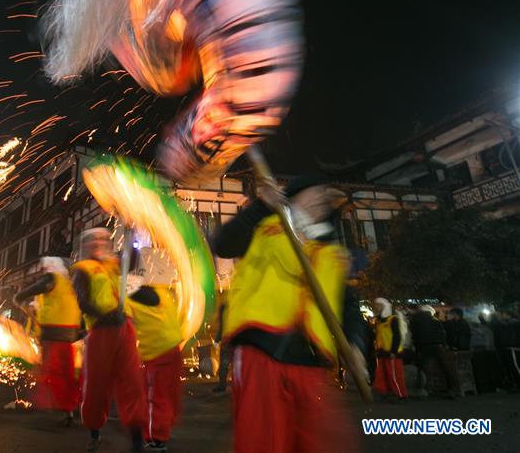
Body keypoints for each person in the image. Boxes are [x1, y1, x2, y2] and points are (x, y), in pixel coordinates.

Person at [213, 176, 365, 453]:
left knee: (322, 442)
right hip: (261, 349)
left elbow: (348, 305)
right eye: (313, 191)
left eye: (325, 196)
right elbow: (222, 244)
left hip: (311, 360)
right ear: (292, 197)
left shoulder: (332, 253)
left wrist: (355, 344)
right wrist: (261, 206)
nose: (321, 198)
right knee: (263, 441)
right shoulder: (264, 227)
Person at [70, 227, 147, 451]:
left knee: (133, 382)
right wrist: (105, 316)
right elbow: (83, 302)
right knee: (97, 385)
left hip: (124, 329)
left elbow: (132, 262)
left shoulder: (115, 264)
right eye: (93, 239)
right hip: (100, 333)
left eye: (103, 239)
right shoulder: (82, 269)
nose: (99, 242)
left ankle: (137, 436)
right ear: (85, 245)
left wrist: (132, 238)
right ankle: (94, 432)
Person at [14, 256, 82, 426]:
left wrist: (19, 296)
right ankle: (69, 408)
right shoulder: (69, 284)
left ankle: (50, 403)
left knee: (52, 372)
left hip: (54, 333)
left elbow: (42, 285)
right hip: (69, 334)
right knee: (66, 374)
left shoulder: (53, 278)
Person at [127, 253, 184, 452]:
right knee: (168, 395)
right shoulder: (161, 291)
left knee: (155, 397)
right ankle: (164, 429)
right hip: (172, 348)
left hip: (158, 353)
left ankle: (156, 438)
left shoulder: (135, 293)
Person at [409, 304, 461, 398]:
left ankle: (422, 388)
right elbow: (442, 333)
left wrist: (417, 346)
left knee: (421, 367)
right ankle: (452, 388)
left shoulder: (415, 319)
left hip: (423, 346)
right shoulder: (435, 320)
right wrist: (443, 344)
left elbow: (414, 335)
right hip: (437, 346)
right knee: (445, 366)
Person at [372, 298, 407, 401]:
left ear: (384, 306)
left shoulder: (393, 319)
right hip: (382, 352)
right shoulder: (379, 320)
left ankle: (401, 395)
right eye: (376, 305)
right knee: (382, 375)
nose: (376, 307)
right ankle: (385, 393)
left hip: (392, 353)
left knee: (395, 375)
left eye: (378, 305)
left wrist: (393, 351)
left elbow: (397, 336)